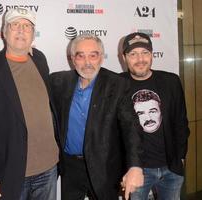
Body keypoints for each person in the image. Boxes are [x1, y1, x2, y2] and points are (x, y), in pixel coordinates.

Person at [0, 8, 59, 200]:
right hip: (9, 173)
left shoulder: (39, 59)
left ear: (33, 34)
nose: (21, 30)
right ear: (4, 31)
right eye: (15, 25)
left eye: (27, 26)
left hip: (49, 168)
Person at [50, 34, 144, 200]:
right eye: (81, 56)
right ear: (72, 59)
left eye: (93, 55)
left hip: (104, 167)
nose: (87, 62)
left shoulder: (117, 84)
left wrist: (135, 166)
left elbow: (131, 128)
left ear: (101, 57)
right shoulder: (57, 82)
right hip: (69, 167)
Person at [121, 32, 190, 200]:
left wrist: (180, 156)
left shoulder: (171, 81)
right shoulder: (116, 85)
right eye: (133, 54)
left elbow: (181, 121)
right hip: (136, 170)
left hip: (171, 169)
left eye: (145, 53)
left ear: (152, 54)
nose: (140, 59)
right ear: (124, 58)